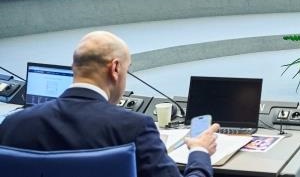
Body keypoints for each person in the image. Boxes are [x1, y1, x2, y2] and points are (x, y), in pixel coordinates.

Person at [0, 31, 219, 177]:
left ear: (74, 67)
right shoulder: (135, 127)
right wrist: (199, 151)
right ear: (115, 69)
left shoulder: (13, 124)